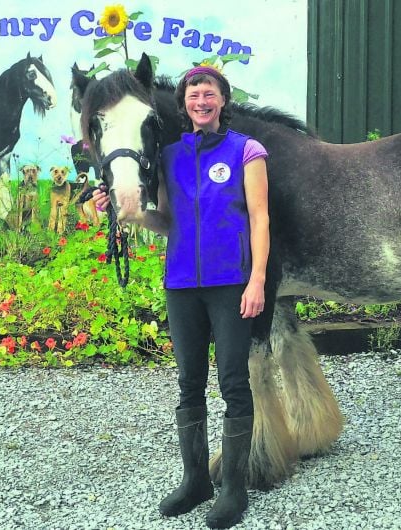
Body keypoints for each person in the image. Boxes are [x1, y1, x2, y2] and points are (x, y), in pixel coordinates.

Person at [94, 65, 269, 529]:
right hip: (182, 285)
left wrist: (256, 281)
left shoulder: (246, 151)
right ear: (184, 105)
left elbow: (260, 219)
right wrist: (124, 212)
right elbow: (164, 220)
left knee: (233, 383)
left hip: (231, 282)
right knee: (189, 384)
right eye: (194, 96)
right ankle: (196, 480)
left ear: (222, 100)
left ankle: (233, 488)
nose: (201, 102)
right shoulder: (170, 155)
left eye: (209, 94)